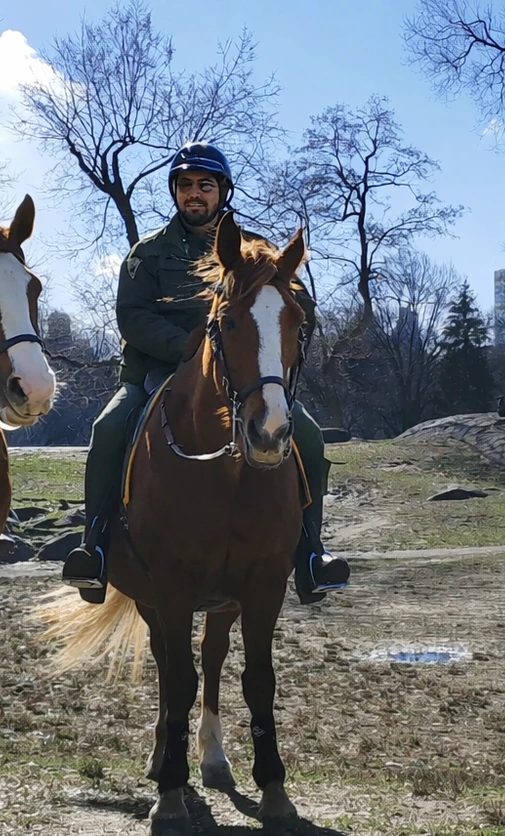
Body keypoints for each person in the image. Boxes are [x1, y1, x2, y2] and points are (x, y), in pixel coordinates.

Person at [60, 141, 350, 605]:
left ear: (223, 192)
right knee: (108, 426)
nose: (195, 194)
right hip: (158, 374)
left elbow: (297, 306)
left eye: (205, 186)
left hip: (244, 378)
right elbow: (132, 317)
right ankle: (93, 546)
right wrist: (190, 348)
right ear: (176, 192)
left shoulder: (260, 253)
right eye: (187, 186)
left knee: (309, 437)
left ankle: (312, 551)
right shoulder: (147, 254)